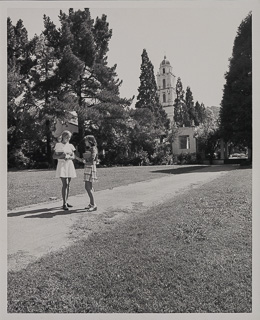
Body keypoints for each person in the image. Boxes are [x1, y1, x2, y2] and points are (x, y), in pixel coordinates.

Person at [53, 130, 76, 210]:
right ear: (63, 137)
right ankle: (64, 203)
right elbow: (54, 157)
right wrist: (62, 156)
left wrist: (69, 157)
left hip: (69, 164)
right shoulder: (58, 145)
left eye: (69, 137)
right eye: (67, 137)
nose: (68, 139)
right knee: (65, 184)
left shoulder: (70, 146)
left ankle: (66, 201)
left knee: (68, 184)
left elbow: (73, 156)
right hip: (62, 165)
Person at [83, 135, 98, 212]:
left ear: (90, 141)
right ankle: (91, 203)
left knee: (87, 187)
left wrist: (85, 159)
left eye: (86, 141)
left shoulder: (93, 149)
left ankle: (93, 204)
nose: (85, 142)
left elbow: (92, 159)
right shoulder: (90, 149)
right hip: (88, 167)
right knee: (89, 187)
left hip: (90, 168)